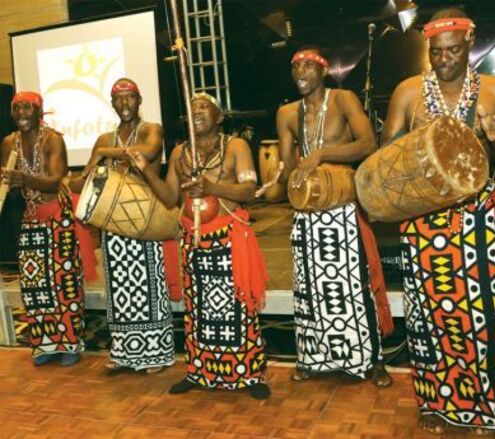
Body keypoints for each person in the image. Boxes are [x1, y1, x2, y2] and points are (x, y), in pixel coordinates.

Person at [381, 8, 495, 435]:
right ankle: (434, 401)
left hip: (476, 221)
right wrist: (415, 144)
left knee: (481, 318)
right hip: (422, 223)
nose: (444, 58)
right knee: (427, 317)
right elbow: (384, 157)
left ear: (469, 44)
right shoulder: (408, 93)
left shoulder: (494, 91)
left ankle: (487, 407)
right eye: (437, 51)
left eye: (453, 50)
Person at [130, 93, 270, 399]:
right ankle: (199, 371)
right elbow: (170, 197)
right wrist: (147, 171)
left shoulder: (236, 146)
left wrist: (212, 187)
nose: (197, 111)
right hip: (194, 242)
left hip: (229, 238)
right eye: (192, 108)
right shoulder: (180, 153)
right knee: (197, 311)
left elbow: (249, 190)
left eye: (205, 107)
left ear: (219, 117)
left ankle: (250, 374)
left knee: (239, 307)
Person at [274, 47, 393, 387]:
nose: (300, 72)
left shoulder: (343, 100)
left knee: (355, 285)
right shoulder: (286, 113)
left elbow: (368, 144)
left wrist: (322, 154)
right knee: (309, 288)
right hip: (307, 212)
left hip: (343, 210)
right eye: (295, 67)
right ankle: (313, 359)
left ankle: (372, 360)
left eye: (308, 66)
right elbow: (288, 166)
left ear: (324, 71)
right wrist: (285, 175)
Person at [65, 78, 176, 375]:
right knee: (119, 290)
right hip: (112, 226)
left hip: (145, 221)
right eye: (118, 98)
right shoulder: (105, 138)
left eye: (130, 97)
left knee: (149, 288)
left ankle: (155, 354)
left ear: (139, 100)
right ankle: (124, 352)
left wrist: (106, 153)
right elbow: (86, 179)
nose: (124, 103)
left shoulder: (151, 130)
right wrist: (71, 182)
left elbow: (148, 152)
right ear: (112, 103)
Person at [0, 91, 94, 366]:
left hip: (58, 217)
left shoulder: (53, 139)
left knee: (64, 283)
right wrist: (9, 184)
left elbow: (54, 181)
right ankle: (45, 344)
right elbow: (9, 184)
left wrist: (23, 179)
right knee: (35, 284)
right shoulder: (9, 142)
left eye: (27, 108)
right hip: (30, 217)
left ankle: (70, 343)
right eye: (16, 108)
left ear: (39, 111)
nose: (21, 114)